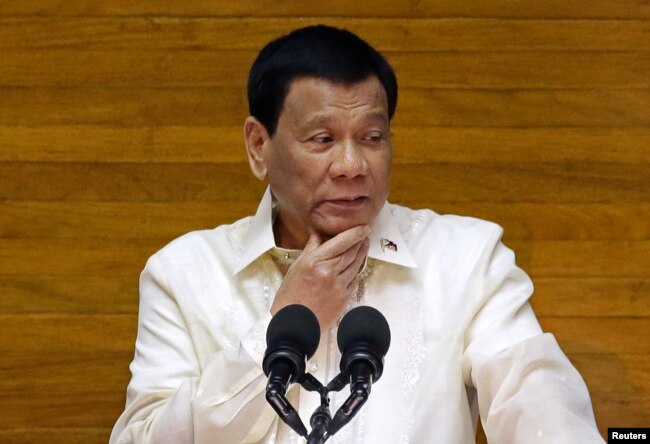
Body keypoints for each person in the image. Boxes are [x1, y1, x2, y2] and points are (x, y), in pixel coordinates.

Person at [110, 25, 605, 443]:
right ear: (259, 146)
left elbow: (538, 398)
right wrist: (285, 320)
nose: (352, 166)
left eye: (372, 137)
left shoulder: (467, 260)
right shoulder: (184, 272)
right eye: (322, 140)